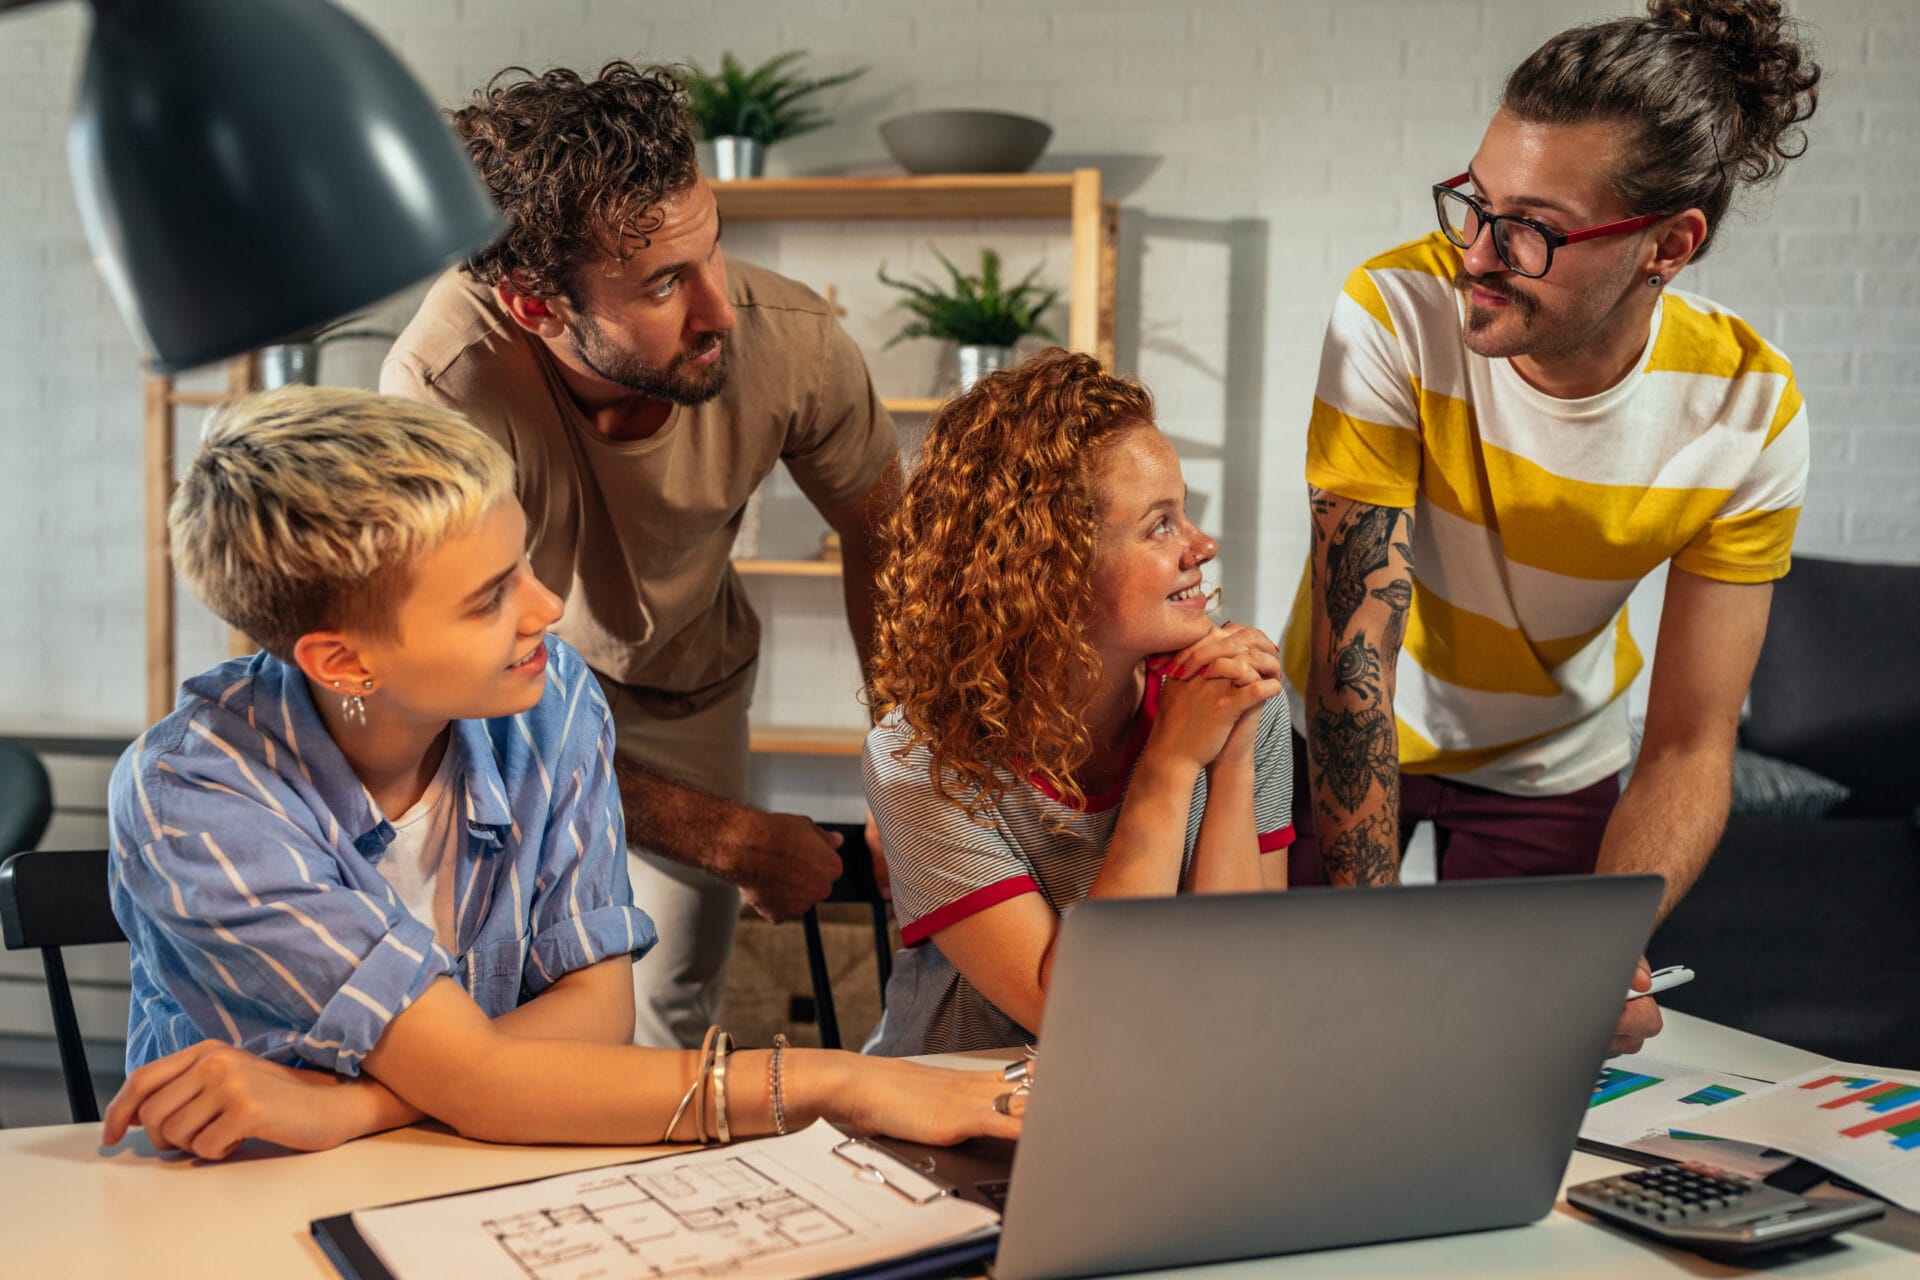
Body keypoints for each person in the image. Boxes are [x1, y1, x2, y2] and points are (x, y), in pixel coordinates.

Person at [100, 387, 1021, 1162]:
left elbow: (594, 1017)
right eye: (488, 597)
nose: (545, 608)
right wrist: (849, 1081)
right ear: (342, 663)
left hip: (469, 1177)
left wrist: (353, 1105)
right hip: (237, 1210)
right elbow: (488, 1084)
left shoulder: (549, 698)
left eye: (524, 562)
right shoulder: (196, 797)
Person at [1279, 0, 1820, 1053]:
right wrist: (1360, 956)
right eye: (1472, 204)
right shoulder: (1394, 309)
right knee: (1307, 1029)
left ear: (1668, 245)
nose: (1477, 253)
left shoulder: (1747, 409)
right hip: (1339, 727)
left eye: (1530, 228)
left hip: (1551, 758)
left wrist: (1601, 933)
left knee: (1526, 1052)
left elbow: (1691, 741)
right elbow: (1356, 681)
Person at [381, 62, 900, 1048]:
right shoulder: (442, 389)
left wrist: (904, 764)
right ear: (537, 306)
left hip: (682, 683)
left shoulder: (790, 343)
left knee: (666, 1008)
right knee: (482, 993)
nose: (720, 310)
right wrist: (734, 834)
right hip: (497, 696)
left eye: (713, 250)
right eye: (666, 282)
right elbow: (448, 687)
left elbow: (886, 532)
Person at [861, 350, 1294, 1056]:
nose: (1203, 547)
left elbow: (1238, 986)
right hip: (952, 1125)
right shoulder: (920, 755)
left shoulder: (1232, 701)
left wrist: (1235, 752)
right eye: (1161, 525)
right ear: (1050, 568)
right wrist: (1173, 764)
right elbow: (1077, 1014)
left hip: (1157, 1101)